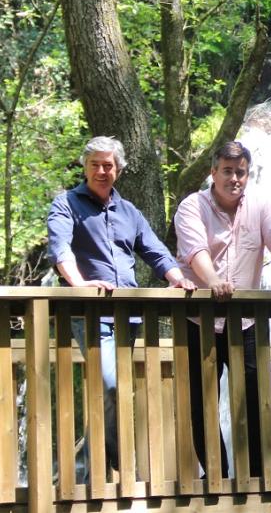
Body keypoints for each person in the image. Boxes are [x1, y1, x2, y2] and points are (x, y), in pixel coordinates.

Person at [174, 140, 271, 478]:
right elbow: (194, 250)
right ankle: (217, 474)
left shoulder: (260, 206)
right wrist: (213, 280)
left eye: (240, 172)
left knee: (257, 399)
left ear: (248, 175)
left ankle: (259, 477)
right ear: (213, 173)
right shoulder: (191, 206)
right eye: (227, 171)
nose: (234, 178)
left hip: (245, 322)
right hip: (198, 319)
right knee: (201, 403)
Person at [47, 136, 196, 477]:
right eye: (95, 164)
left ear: (119, 169)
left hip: (128, 316)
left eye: (108, 165)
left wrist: (177, 278)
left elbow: (156, 251)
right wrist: (79, 284)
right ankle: (116, 465)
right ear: (85, 167)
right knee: (111, 386)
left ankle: (90, 474)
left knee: (109, 394)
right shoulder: (66, 203)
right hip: (90, 313)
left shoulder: (130, 212)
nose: (102, 170)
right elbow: (60, 248)